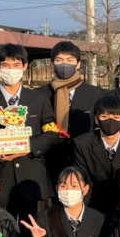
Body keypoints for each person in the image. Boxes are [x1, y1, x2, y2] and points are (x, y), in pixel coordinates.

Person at [0, 43, 59, 222]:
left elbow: (51, 133)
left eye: (16, 65)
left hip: (32, 179)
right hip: (0, 179)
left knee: (32, 235)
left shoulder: (39, 99)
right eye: (6, 65)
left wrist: (30, 146)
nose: (11, 70)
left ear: (25, 66)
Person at [36, 40, 106, 185]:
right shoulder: (39, 94)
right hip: (48, 160)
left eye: (70, 60)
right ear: (53, 63)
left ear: (78, 64)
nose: (64, 64)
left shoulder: (96, 94)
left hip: (83, 159)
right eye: (59, 60)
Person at [72, 94, 120, 217]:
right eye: (105, 116)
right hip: (93, 202)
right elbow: (83, 179)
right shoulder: (82, 144)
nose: (110, 121)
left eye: (116, 117)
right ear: (96, 119)